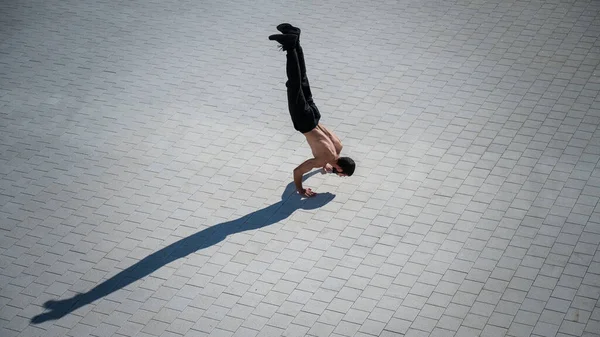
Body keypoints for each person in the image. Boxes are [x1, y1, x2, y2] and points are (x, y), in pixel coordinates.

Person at [269, 23, 356, 197]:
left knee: (302, 79)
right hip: (304, 120)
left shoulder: (338, 146)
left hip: (315, 116)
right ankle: (289, 44)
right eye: (341, 174)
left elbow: (327, 149)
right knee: (294, 83)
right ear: (339, 167)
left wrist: (326, 164)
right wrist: (300, 189)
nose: (339, 175)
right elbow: (297, 171)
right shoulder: (323, 159)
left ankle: (295, 38)